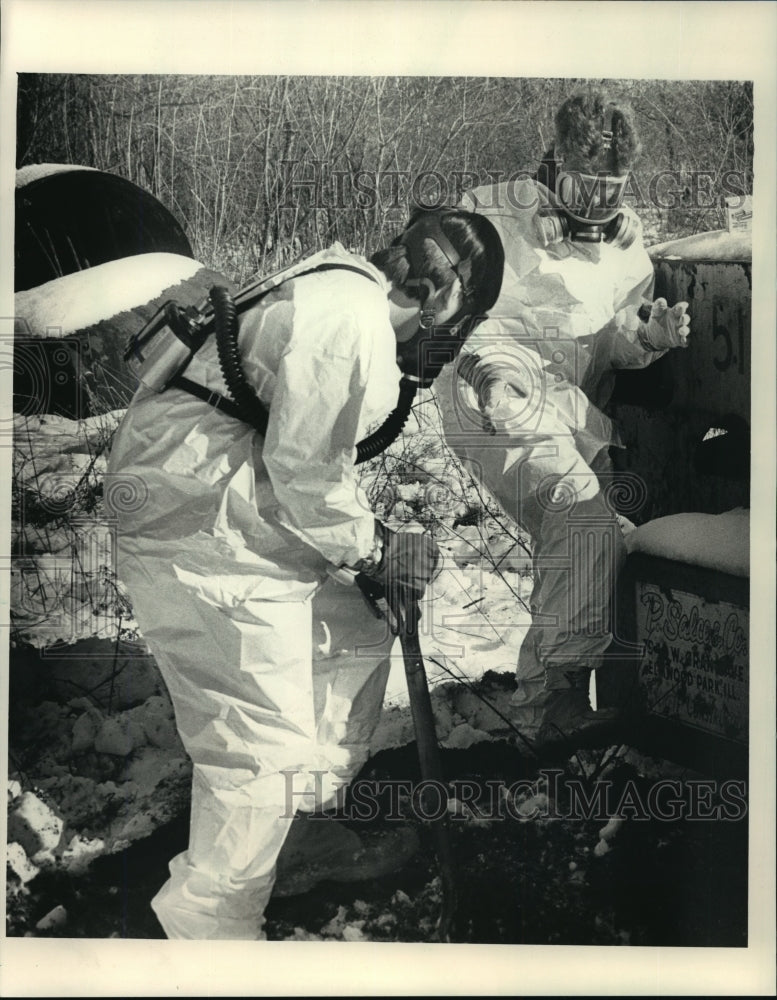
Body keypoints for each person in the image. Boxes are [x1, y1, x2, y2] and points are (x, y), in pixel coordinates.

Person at [106, 208, 504, 939]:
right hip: (196, 527)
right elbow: (307, 475)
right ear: (447, 300)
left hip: (234, 505)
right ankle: (211, 928)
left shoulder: (341, 292)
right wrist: (381, 548)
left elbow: (298, 454)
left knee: (351, 626)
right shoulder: (347, 319)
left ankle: (289, 837)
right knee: (260, 748)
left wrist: (371, 553)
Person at [436, 87, 691, 743]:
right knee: (580, 516)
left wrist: (646, 337)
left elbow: (604, 347)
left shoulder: (624, 247)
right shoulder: (491, 212)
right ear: (553, 159)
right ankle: (549, 706)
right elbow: (449, 310)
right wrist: (489, 366)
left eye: (613, 187)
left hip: (569, 409)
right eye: (585, 184)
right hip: (492, 398)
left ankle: (557, 695)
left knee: (595, 537)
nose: (598, 201)